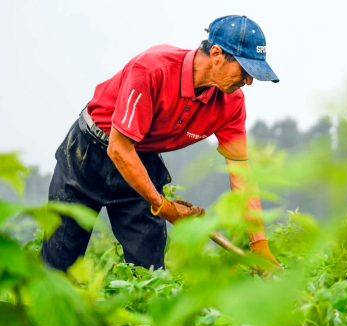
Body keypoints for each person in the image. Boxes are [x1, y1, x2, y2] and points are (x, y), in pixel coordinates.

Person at [41, 15, 281, 272]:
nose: (249, 81)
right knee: (56, 266)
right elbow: (119, 148)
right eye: (245, 71)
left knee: (149, 273)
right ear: (216, 54)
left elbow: (241, 174)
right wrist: (164, 207)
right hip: (87, 155)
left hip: (140, 163)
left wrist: (259, 245)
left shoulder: (231, 104)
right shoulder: (153, 69)